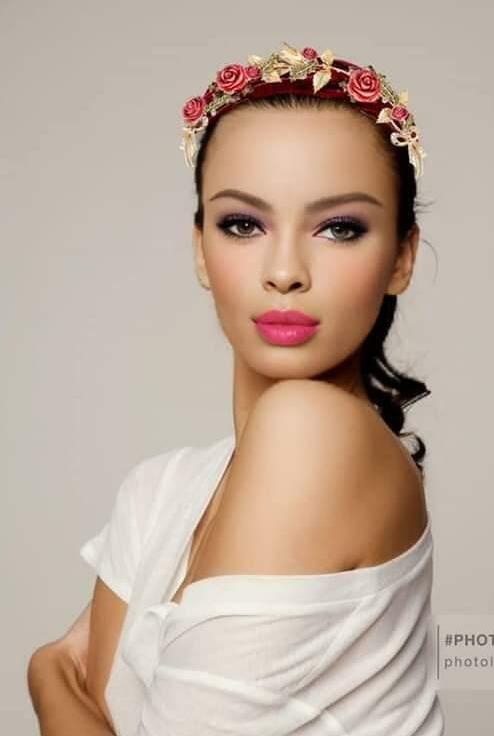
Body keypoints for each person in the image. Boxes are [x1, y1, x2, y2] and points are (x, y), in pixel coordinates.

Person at [28, 41, 444, 735]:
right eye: (243, 224)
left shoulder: (315, 431)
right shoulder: (158, 493)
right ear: (201, 249)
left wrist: (45, 671)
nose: (284, 270)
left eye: (340, 228)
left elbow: (84, 696)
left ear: (401, 256)